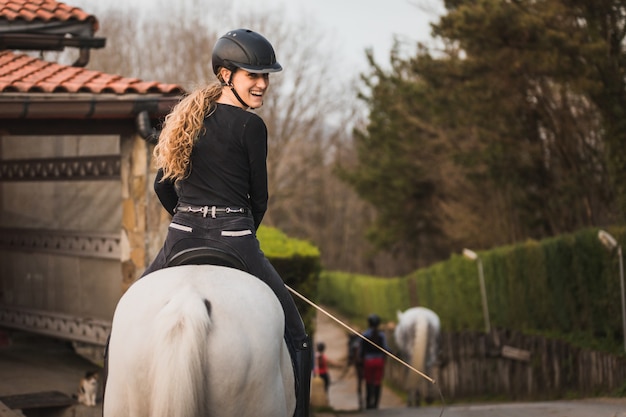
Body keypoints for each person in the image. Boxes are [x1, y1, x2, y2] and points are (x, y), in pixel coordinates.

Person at [143, 28, 311, 417]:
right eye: (253, 75)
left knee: (122, 321)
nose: (262, 84)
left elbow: (161, 187)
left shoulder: (186, 118)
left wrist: (190, 218)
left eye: (265, 76)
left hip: (180, 237)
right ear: (225, 75)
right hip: (236, 238)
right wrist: (238, 232)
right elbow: (260, 199)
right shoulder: (251, 127)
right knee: (298, 336)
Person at [359, 313, 389, 409]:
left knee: (368, 381)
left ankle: (368, 402)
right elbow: (385, 348)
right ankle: (376, 403)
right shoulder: (381, 335)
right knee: (377, 382)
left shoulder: (365, 334)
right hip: (379, 361)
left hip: (368, 362)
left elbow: (361, 350)